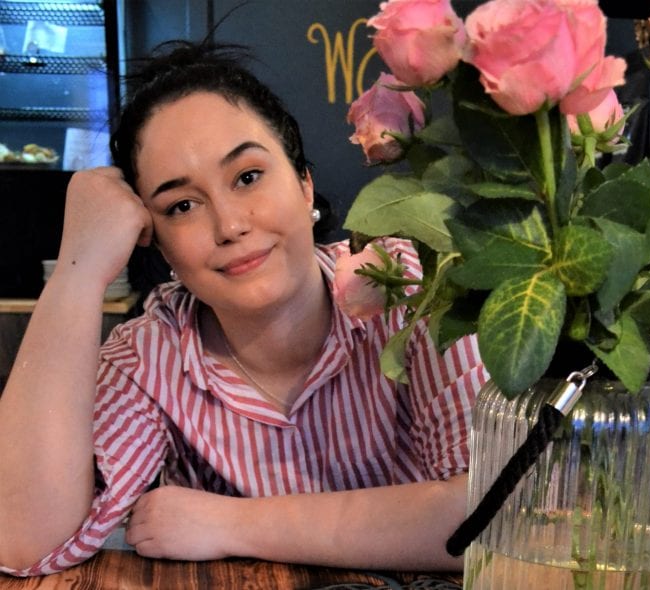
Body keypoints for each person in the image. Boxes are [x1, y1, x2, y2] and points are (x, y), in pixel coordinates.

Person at [0, 41, 486, 576]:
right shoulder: (149, 356)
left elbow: (485, 514)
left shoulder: (410, 287)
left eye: (248, 177)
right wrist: (79, 270)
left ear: (305, 185)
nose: (229, 225)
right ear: (157, 241)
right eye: (181, 206)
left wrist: (231, 522)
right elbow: (20, 537)